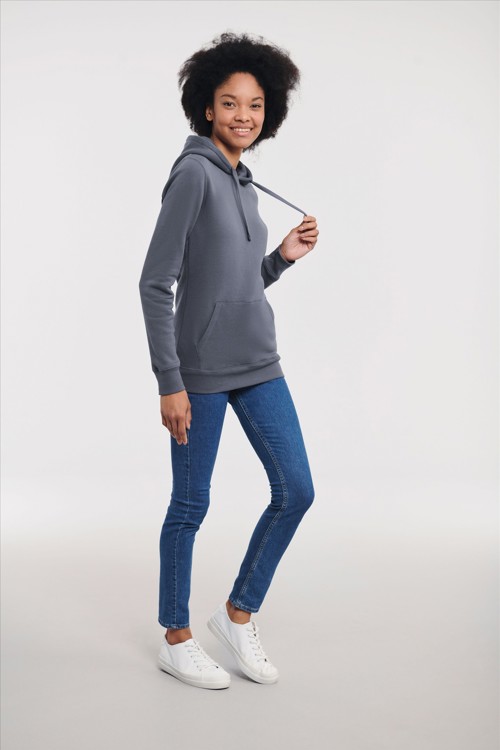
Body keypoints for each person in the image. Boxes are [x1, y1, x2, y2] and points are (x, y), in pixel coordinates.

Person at [139, 31, 319, 690]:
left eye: (255, 104)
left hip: (259, 362)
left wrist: (280, 260)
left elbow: (236, 283)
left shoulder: (245, 185)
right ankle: (176, 637)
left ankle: (237, 615)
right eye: (230, 103)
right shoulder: (193, 175)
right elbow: (156, 283)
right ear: (206, 108)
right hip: (200, 375)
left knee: (296, 490)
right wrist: (171, 382)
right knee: (191, 504)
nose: (244, 114)